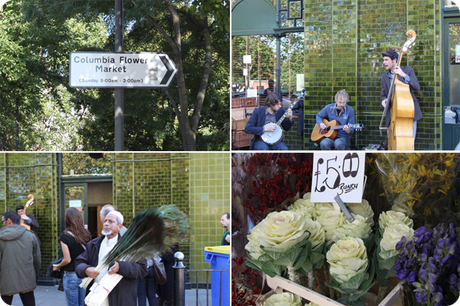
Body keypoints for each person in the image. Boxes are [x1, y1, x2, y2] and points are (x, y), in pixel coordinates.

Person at [75, 211, 147, 306]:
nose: (106, 224)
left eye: (111, 221)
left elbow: (142, 269)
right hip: (96, 299)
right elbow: (79, 262)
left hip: (120, 300)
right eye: (105, 221)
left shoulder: (131, 246)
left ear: (119, 227)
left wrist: (121, 267)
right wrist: (86, 269)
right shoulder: (93, 244)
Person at [52, 207, 92, 306]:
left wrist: (58, 266)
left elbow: (67, 259)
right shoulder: (86, 234)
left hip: (71, 275)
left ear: (67, 219)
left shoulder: (64, 236)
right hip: (84, 274)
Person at [0, 211, 41, 306]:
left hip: (5, 280)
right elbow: (37, 259)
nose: (2, 224)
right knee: (29, 302)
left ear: (8, 221)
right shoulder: (30, 235)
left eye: (3, 221)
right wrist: (34, 274)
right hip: (27, 277)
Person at [381, 49, 421, 139]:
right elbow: (383, 95)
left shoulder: (408, 70)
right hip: (392, 115)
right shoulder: (384, 77)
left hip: (408, 113)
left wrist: (403, 75)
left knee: (408, 142)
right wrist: (383, 100)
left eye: (386, 60)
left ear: (394, 60)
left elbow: (417, 87)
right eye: (384, 60)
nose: (384, 62)